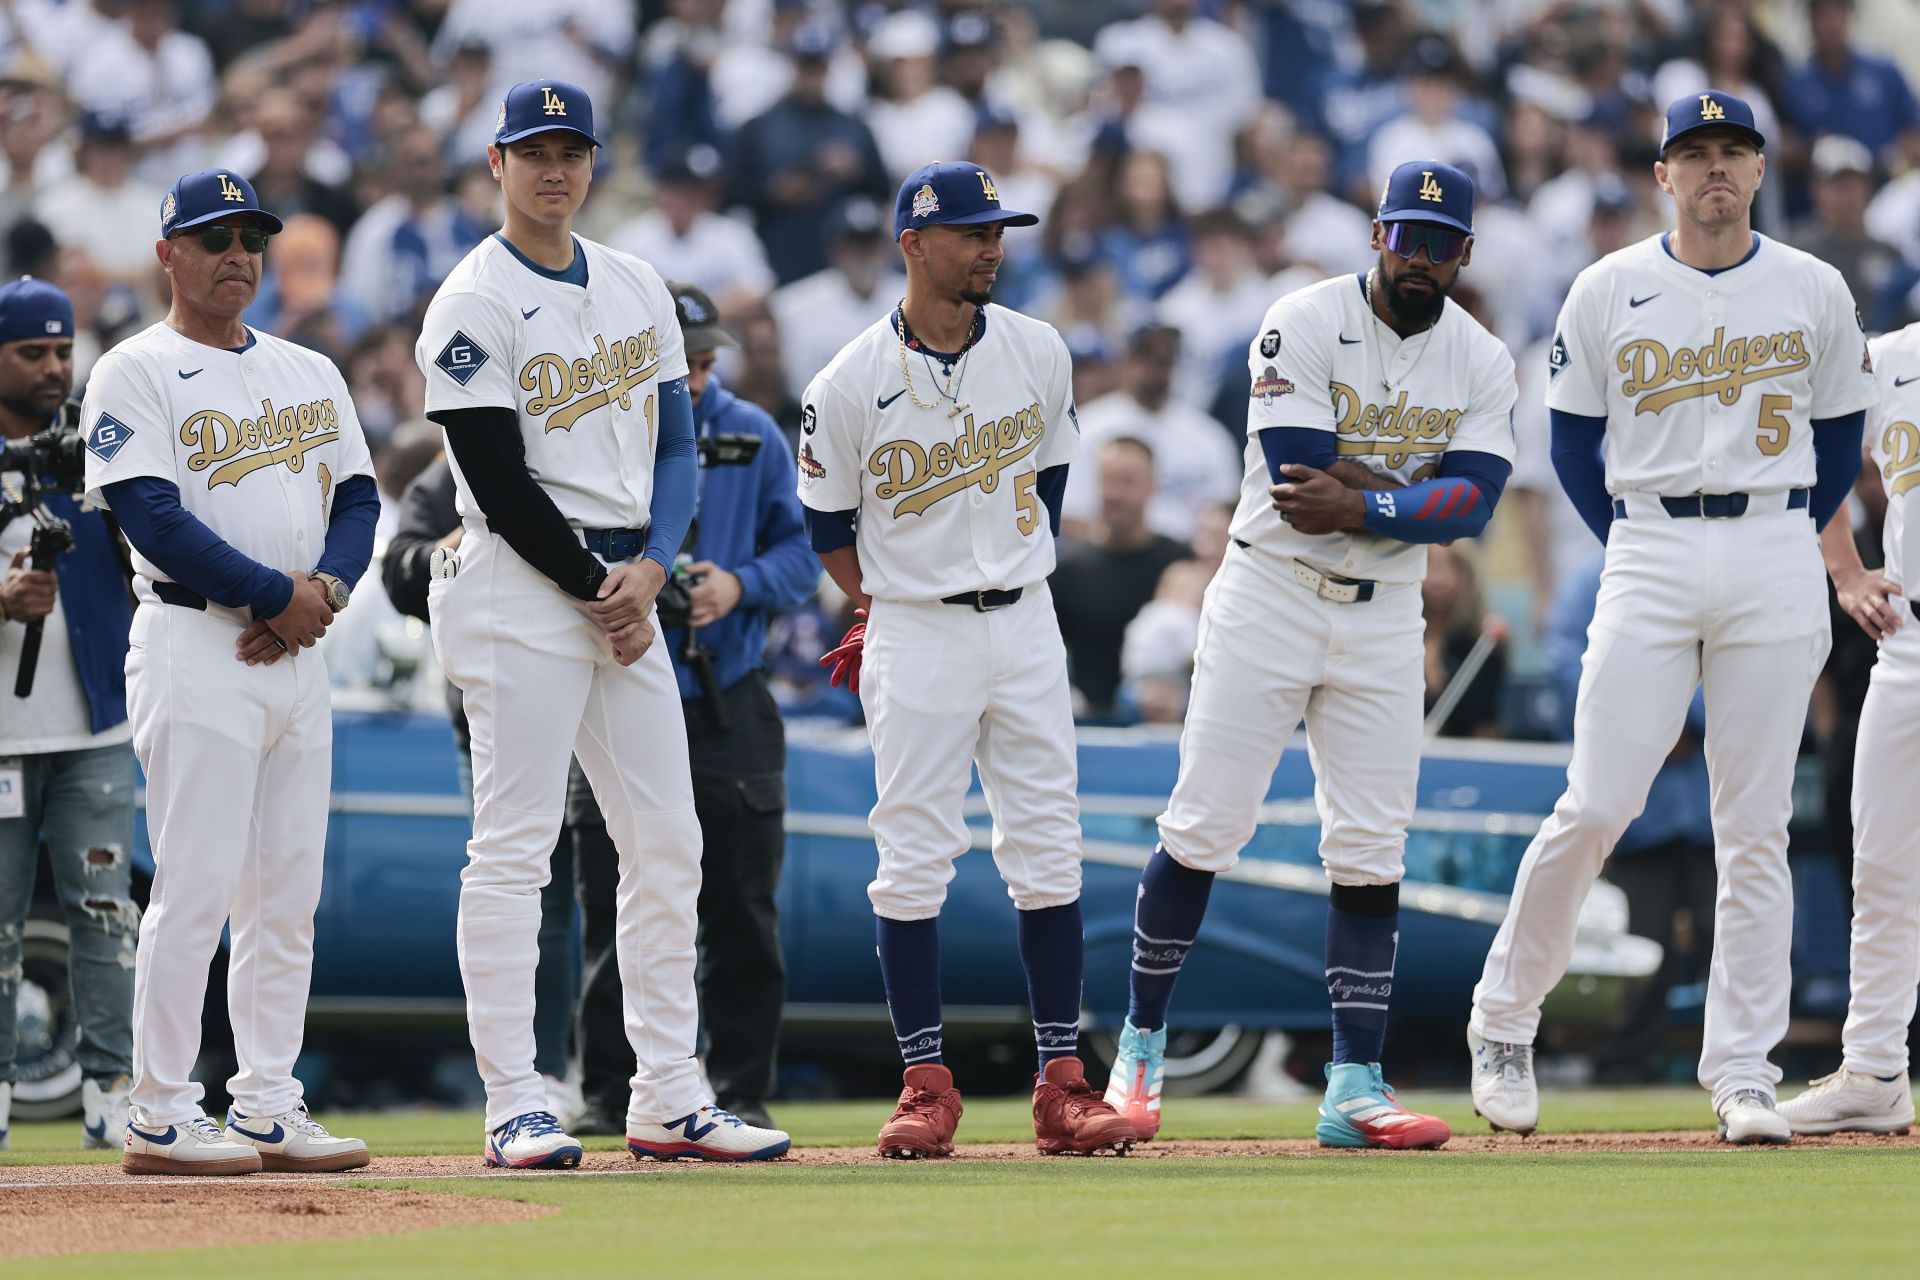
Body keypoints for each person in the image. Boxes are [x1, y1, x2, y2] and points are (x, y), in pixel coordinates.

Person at [1466, 92, 1876, 1145]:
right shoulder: (1608, 286)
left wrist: (1790, 530)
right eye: (1694, 155)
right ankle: (1503, 1017)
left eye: (1732, 151)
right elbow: (1566, 444)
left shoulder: (1813, 287)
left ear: (1757, 168)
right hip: (1648, 536)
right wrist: (1633, 535)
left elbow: (1837, 445)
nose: (1714, 171)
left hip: (1775, 539)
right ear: (1663, 174)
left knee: (1757, 827)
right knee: (1598, 801)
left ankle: (1743, 1068)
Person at [1100, 160, 1516, 1150]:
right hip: (1270, 589)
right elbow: (1300, 467)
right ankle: (1139, 1050)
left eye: (1438, 240)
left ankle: (1355, 1082)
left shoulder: (1483, 356)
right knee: (1203, 821)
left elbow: (1480, 500)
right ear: (1376, 234)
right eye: (1404, 234)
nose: (1418, 256)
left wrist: (1371, 500)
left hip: (1385, 610)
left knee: (1371, 845)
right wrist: (1417, 493)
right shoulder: (1304, 315)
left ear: (1465, 252)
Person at [413, 79, 789, 1168]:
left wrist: (654, 566)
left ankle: (671, 1090)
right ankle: (515, 1097)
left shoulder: (633, 281)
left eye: (570, 149)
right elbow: (490, 467)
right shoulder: (471, 296)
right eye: (533, 150)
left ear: (593, 162)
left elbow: (678, 446)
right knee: (517, 847)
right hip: (520, 580)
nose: (553, 168)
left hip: (625, 576)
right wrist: (599, 580)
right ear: (496, 163)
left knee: (669, 839)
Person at [799, 161, 1136, 1159]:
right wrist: (886, 601)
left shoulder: (1036, 348)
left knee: (1050, 844)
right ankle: (924, 1078)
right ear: (913, 242)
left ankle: (1064, 1081)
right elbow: (827, 529)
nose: (992, 245)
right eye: (972, 231)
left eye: (1000, 229)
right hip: (915, 625)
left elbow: (1052, 480)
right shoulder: (847, 380)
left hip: (1024, 614)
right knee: (911, 852)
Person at [82, 170, 381, 1175]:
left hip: (295, 643)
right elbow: (150, 516)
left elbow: (361, 501)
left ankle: (266, 1098)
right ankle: (160, 1105)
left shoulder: (308, 368)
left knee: (286, 891)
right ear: (168, 252)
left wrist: (321, 593)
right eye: (214, 237)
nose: (237, 254)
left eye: (250, 235)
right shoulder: (135, 367)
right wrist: (273, 595)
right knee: (196, 884)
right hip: (194, 639)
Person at [572, 281, 815, 1134]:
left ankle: (741, 1086)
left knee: (744, 904)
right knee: (609, 897)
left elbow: (804, 550)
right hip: (612, 684)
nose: (703, 374)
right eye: (689, 360)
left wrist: (739, 584)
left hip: (727, 689)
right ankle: (608, 1090)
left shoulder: (753, 434)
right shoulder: (600, 427)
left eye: (710, 359)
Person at [0, 278, 136, 1154]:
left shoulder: (98, 448)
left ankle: (111, 1091)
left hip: (94, 724)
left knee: (104, 912)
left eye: (63, 351)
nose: (55, 369)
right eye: (32, 353)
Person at [1779, 318, 1920, 1135]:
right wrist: (1844, 569)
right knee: (1880, 865)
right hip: (1905, 641)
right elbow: (1816, 450)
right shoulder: (1892, 356)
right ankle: (1874, 1068)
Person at [1050, 436, 1188, 718]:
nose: (1115, 494)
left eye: (1128, 481)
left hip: (1167, 728)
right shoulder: (1066, 571)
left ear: (1153, 486)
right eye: (1108, 480)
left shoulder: (1180, 561)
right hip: (1090, 727)